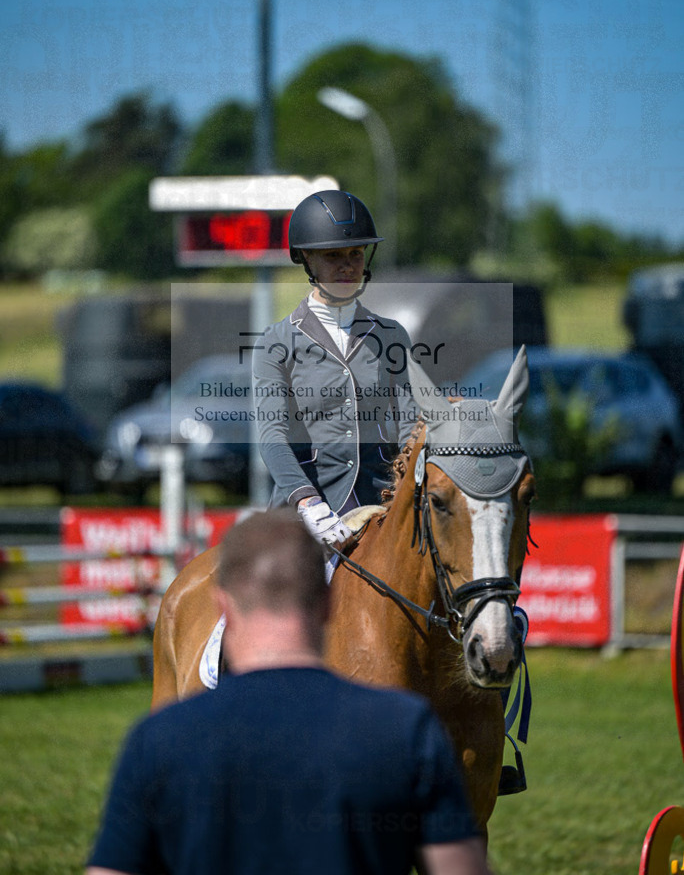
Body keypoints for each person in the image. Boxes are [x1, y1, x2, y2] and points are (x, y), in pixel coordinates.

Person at [86, 509, 491, 875]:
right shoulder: (409, 731)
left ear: (222, 606)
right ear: (329, 603)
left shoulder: (156, 740)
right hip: (317, 513)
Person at [252, 189, 419, 549]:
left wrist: (410, 492)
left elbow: (411, 425)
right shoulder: (275, 343)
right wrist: (307, 501)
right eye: (332, 256)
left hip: (381, 506)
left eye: (355, 254)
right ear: (307, 260)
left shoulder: (392, 336)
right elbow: (272, 436)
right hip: (305, 513)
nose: (347, 266)